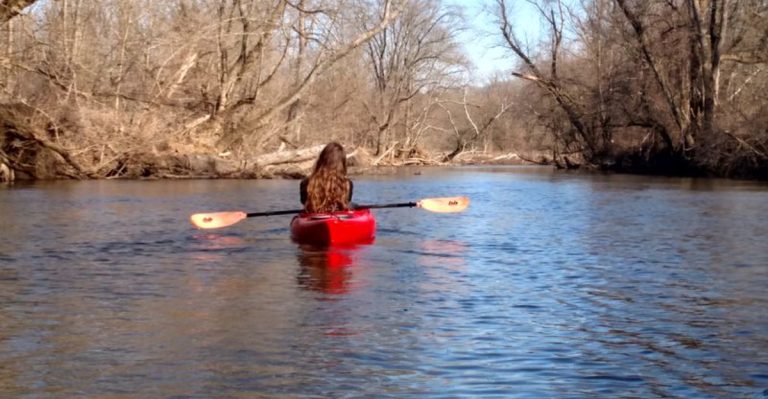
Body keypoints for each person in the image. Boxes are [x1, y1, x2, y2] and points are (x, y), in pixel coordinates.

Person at [300, 142, 354, 213]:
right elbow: (347, 201)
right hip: (338, 216)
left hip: (314, 216)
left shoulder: (305, 183)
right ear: (342, 163)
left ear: (321, 160)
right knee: (353, 205)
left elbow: (304, 202)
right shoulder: (348, 184)